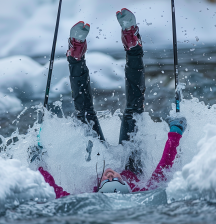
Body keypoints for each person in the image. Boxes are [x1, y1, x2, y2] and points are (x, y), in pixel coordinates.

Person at [36, 8, 188, 199]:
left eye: (106, 181)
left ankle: (75, 56)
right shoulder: (140, 190)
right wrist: (176, 132)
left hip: (97, 161)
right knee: (133, 109)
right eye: (115, 179)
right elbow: (164, 164)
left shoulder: (91, 194)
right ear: (125, 184)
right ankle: (133, 44)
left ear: (98, 189)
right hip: (132, 161)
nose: (109, 175)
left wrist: (39, 165)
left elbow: (58, 194)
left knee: (85, 114)